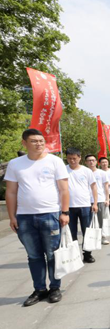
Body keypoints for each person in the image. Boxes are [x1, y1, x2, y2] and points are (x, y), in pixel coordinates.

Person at [5, 129, 70, 306]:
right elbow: (11, 192)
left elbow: (64, 189)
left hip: (50, 214)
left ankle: (55, 288)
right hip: (25, 217)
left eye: (41, 141)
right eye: (34, 141)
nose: (39, 144)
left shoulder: (55, 161)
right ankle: (39, 289)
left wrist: (65, 212)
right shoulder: (15, 164)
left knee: (52, 254)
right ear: (24, 143)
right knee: (34, 256)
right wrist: (12, 217)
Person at [66, 147, 98, 264]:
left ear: (79, 158)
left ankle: (87, 254)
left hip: (85, 205)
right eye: (69, 158)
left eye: (74, 158)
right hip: (68, 207)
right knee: (71, 232)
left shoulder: (86, 171)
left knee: (87, 231)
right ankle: (74, 255)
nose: (72, 161)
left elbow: (94, 187)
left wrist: (95, 203)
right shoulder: (63, 170)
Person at [86, 155, 110, 245]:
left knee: (101, 219)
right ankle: (91, 238)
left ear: (96, 162)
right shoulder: (84, 172)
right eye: (89, 160)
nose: (91, 162)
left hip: (100, 199)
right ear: (86, 162)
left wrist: (107, 199)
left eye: (93, 160)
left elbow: (106, 186)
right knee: (88, 221)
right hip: (87, 200)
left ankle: (103, 236)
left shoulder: (102, 173)